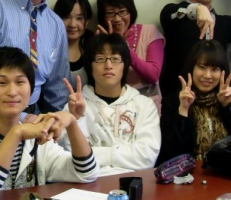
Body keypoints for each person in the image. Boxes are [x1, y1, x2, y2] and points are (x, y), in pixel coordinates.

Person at [0, 47, 98, 200]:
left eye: (20, 82)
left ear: (31, 89)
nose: (12, 92)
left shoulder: (36, 138)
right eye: (2, 83)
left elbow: (86, 173)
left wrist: (72, 123)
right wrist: (16, 133)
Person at [59, 33, 161, 175]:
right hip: (88, 183)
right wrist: (77, 118)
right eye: (100, 59)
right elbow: (71, 155)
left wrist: (98, 154)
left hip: (133, 181)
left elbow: (147, 156)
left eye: (115, 59)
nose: (108, 65)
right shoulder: (73, 108)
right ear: (90, 66)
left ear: (125, 65)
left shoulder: (144, 105)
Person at [157, 40, 231, 165]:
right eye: (202, 67)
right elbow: (171, 152)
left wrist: (228, 105)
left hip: (226, 169)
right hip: (190, 172)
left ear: (222, 72)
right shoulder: (173, 102)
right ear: (192, 68)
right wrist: (183, 110)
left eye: (214, 69)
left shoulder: (230, 97)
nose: (208, 75)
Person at [96, 0, 165, 113]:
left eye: (122, 12)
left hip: (147, 107)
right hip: (112, 108)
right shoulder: (100, 40)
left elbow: (153, 75)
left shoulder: (150, 32)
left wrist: (125, 49)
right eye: (110, 13)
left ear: (131, 11)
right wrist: (108, 46)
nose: (117, 19)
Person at [53, 0, 94, 87]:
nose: (72, 25)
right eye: (66, 17)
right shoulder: (48, 52)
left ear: (87, 21)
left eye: (79, 18)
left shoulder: (92, 50)